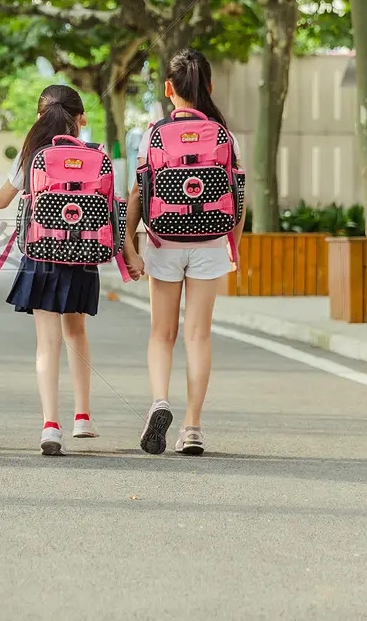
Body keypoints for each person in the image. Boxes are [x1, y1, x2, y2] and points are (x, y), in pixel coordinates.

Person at [123, 48, 245, 457]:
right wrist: (235, 248)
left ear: (168, 89)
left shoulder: (153, 135)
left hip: (164, 241)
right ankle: (192, 427)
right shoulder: (225, 135)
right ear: (209, 87)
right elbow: (238, 199)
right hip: (210, 242)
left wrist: (129, 245)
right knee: (198, 335)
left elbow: (139, 193)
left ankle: (160, 400)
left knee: (162, 333)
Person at [0, 85, 100, 456]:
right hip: (83, 254)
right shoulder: (92, 156)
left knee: (47, 342)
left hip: (42, 254)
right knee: (76, 332)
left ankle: (50, 426)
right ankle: (83, 417)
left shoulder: (32, 155)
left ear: (39, 116)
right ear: (81, 118)